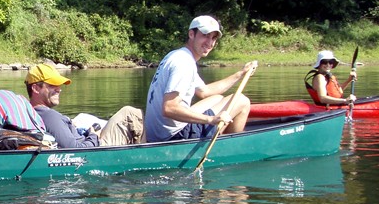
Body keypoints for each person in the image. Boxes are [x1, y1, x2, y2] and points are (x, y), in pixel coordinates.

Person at [144, 15, 257, 143]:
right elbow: (169, 108)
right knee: (242, 101)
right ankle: (231, 147)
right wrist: (210, 119)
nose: (210, 43)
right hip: (174, 135)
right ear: (191, 34)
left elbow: (204, 91)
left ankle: (220, 136)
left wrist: (241, 74)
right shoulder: (184, 63)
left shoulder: (178, 55)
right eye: (205, 35)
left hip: (161, 132)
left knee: (217, 99)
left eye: (213, 38)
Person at [24, 63, 143, 148]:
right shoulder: (50, 116)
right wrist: (93, 135)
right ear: (35, 88)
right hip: (95, 149)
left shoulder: (31, 112)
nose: (59, 90)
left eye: (59, 85)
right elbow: (75, 148)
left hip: (88, 141)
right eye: (52, 85)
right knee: (130, 113)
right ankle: (147, 155)